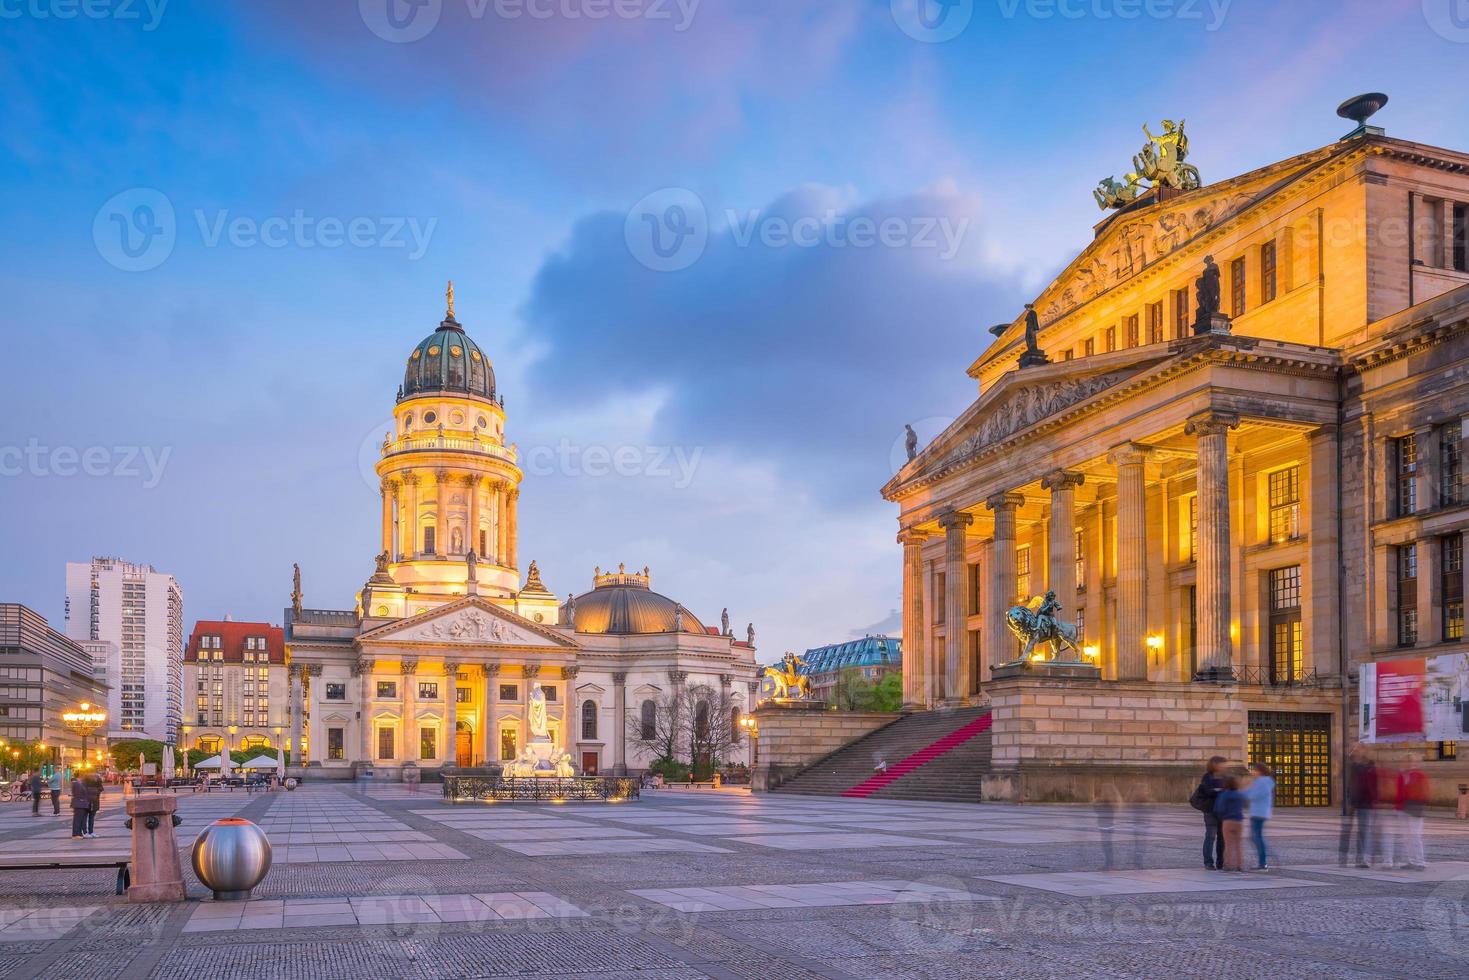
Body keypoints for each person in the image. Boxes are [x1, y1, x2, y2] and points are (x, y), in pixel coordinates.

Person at [1340, 744, 1376, 868]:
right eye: (1355, 749)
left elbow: (1372, 785)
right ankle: (1344, 858)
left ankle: (1362, 859)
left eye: (1360, 749)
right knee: (1347, 832)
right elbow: (1348, 781)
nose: (1357, 751)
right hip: (1352, 802)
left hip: (1365, 804)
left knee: (1364, 832)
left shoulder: (1370, 766)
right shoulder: (1352, 765)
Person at [1190, 756, 1227, 870]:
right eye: (1222, 764)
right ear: (1214, 764)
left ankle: (1221, 862)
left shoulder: (1226, 777)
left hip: (1223, 811)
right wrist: (1218, 791)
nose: (1224, 766)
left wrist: (1218, 790)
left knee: (1222, 837)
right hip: (1210, 811)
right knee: (1210, 836)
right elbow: (1208, 791)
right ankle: (1208, 862)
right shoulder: (1207, 777)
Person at [1396, 761, 1429, 870]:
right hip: (1402, 808)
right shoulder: (1401, 775)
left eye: (1410, 761)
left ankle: (1420, 862)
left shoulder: (1419, 775)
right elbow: (1399, 792)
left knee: (1415, 835)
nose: (1407, 764)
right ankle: (1411, 860)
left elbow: (1424, 791)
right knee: (1406, 837)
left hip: (1415, 807)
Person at [1243, 762, 1275, 870]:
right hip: (1260, 812)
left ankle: (1263, 861)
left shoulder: (1262, 782)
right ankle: (1263, 860)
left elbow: (1254, 795)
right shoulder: (1264, 782)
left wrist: (1244, 792)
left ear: (1260, 771)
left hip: (1258, 812)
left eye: (1255, 770)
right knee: (1255, 837)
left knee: (1256, 837)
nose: (1253, 772)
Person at [1214, 775, 1247, 872]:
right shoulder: (1240, 794)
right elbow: (1244, 804)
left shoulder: (1224, 794)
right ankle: (1239, 865)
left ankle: (1227, 864)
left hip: (1228, 820)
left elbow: (1219, 808)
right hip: (1239, 821)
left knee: (1228, 845)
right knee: (1238, 844)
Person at [83, 770, 103, 837]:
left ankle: (85, 832)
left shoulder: (85, 779)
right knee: (91, 817)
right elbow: (101, 789)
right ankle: (90, 832)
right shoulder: (97, 779)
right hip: (94, 801)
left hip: (87, 801)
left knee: (85, 817)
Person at [69, 774, 89, 839]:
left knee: (80, 820)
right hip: (79, 804)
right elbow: (77, 794)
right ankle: (75, 834)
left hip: (81, 804)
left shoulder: (80, 783)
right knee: (77, 820)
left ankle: (79, 833)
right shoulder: (76, 783)